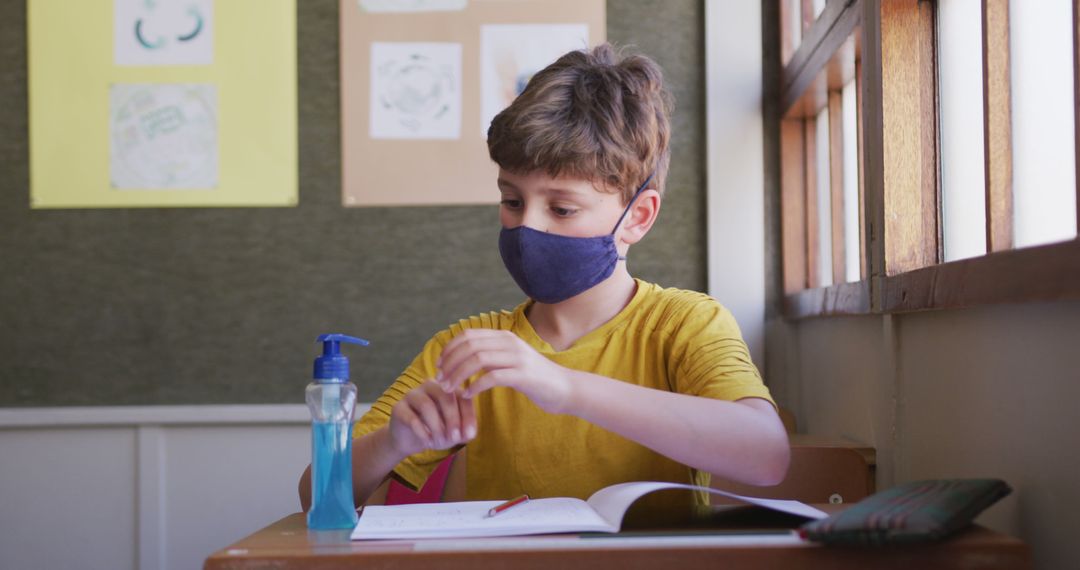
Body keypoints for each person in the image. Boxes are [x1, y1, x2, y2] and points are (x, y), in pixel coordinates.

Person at [299, 43, 789, 510]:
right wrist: (393, 441)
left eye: (561, 207)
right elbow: (315, 494)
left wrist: (565, 387)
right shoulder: (472, 346)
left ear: (637, 217)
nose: (528, 226)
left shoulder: (686, 325)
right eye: (512, 201)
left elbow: (766, 455)